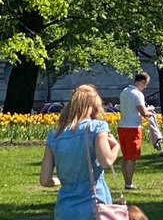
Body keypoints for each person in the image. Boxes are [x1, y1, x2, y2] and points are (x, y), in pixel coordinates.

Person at [41, 85, 121, 219]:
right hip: (94, 204)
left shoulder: (55, 136)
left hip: (65, 208)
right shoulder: (97, 128)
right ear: (94, 106)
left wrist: (64, 181)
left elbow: (44, 180)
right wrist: (116, 147)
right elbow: (106, 161)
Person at [118, 72, 151, 190]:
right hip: (133, 127)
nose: (145, 86)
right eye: (145, 84)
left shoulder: (124, 92)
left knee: (126, 156)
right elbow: (143, 113)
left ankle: (126, 181)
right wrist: (150, 112)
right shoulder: (137, 94)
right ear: (142, 82)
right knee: (132, 157)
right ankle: (129, 183)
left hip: (122, 126)